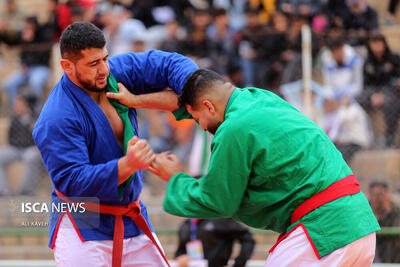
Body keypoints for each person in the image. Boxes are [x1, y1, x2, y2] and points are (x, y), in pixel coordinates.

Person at [145, 69, 380, 266]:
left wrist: (176, 178)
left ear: (208, 106)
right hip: (357, 223)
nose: (203, 127)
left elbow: (218, 199)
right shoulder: (261, 98)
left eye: (198, 119)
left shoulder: (233, 128)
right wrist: (134, 100)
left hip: (325, 229)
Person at [32, 22, 198, 266]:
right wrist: (127, 165)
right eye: (93, 64)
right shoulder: (56, 117)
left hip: (130, 215)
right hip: (83, 223)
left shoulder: (115, 73)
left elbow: (169, 63)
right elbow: (72, 182)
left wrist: (199, 89)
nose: (103, 69)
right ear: (67, 67)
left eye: (104, 58)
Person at [0, 93, 42, 196]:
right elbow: (11, 139)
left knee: (31, 157)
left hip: (30, 149)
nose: (16, 106)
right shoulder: (14, 120)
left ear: (25, 104)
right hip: (15, 149)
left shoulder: (35, 119)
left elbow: (40, 137)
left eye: (19, 104)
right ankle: (3, 191)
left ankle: (25, 191)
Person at [175, 218, 255, 267]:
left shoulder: (221, 219)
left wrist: (237, 265)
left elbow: (248, 240)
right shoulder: (186, 224)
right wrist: (180, 257)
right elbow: (180, 250)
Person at [369, 182, 400, 263]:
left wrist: (387, 211)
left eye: (381, 194)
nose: (378, 198)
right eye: (375, 195)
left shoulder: (395, 212)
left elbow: (395, 230)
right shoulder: (365, 211)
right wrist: (374, 213)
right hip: (370, 256)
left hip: (391, 257)